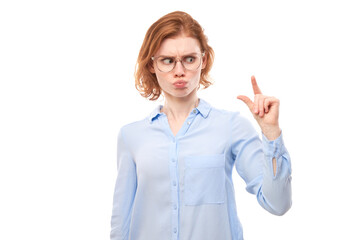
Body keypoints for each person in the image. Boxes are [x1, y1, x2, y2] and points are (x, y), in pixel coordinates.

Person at [110, 11, 292, 240]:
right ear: (152, 65)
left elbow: (278, 203)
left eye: (189, 59)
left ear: (203, 60)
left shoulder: (231, 127)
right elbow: (121, 223)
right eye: (167, 60)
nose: (179, 71)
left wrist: (271, 133)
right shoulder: (131, 136)